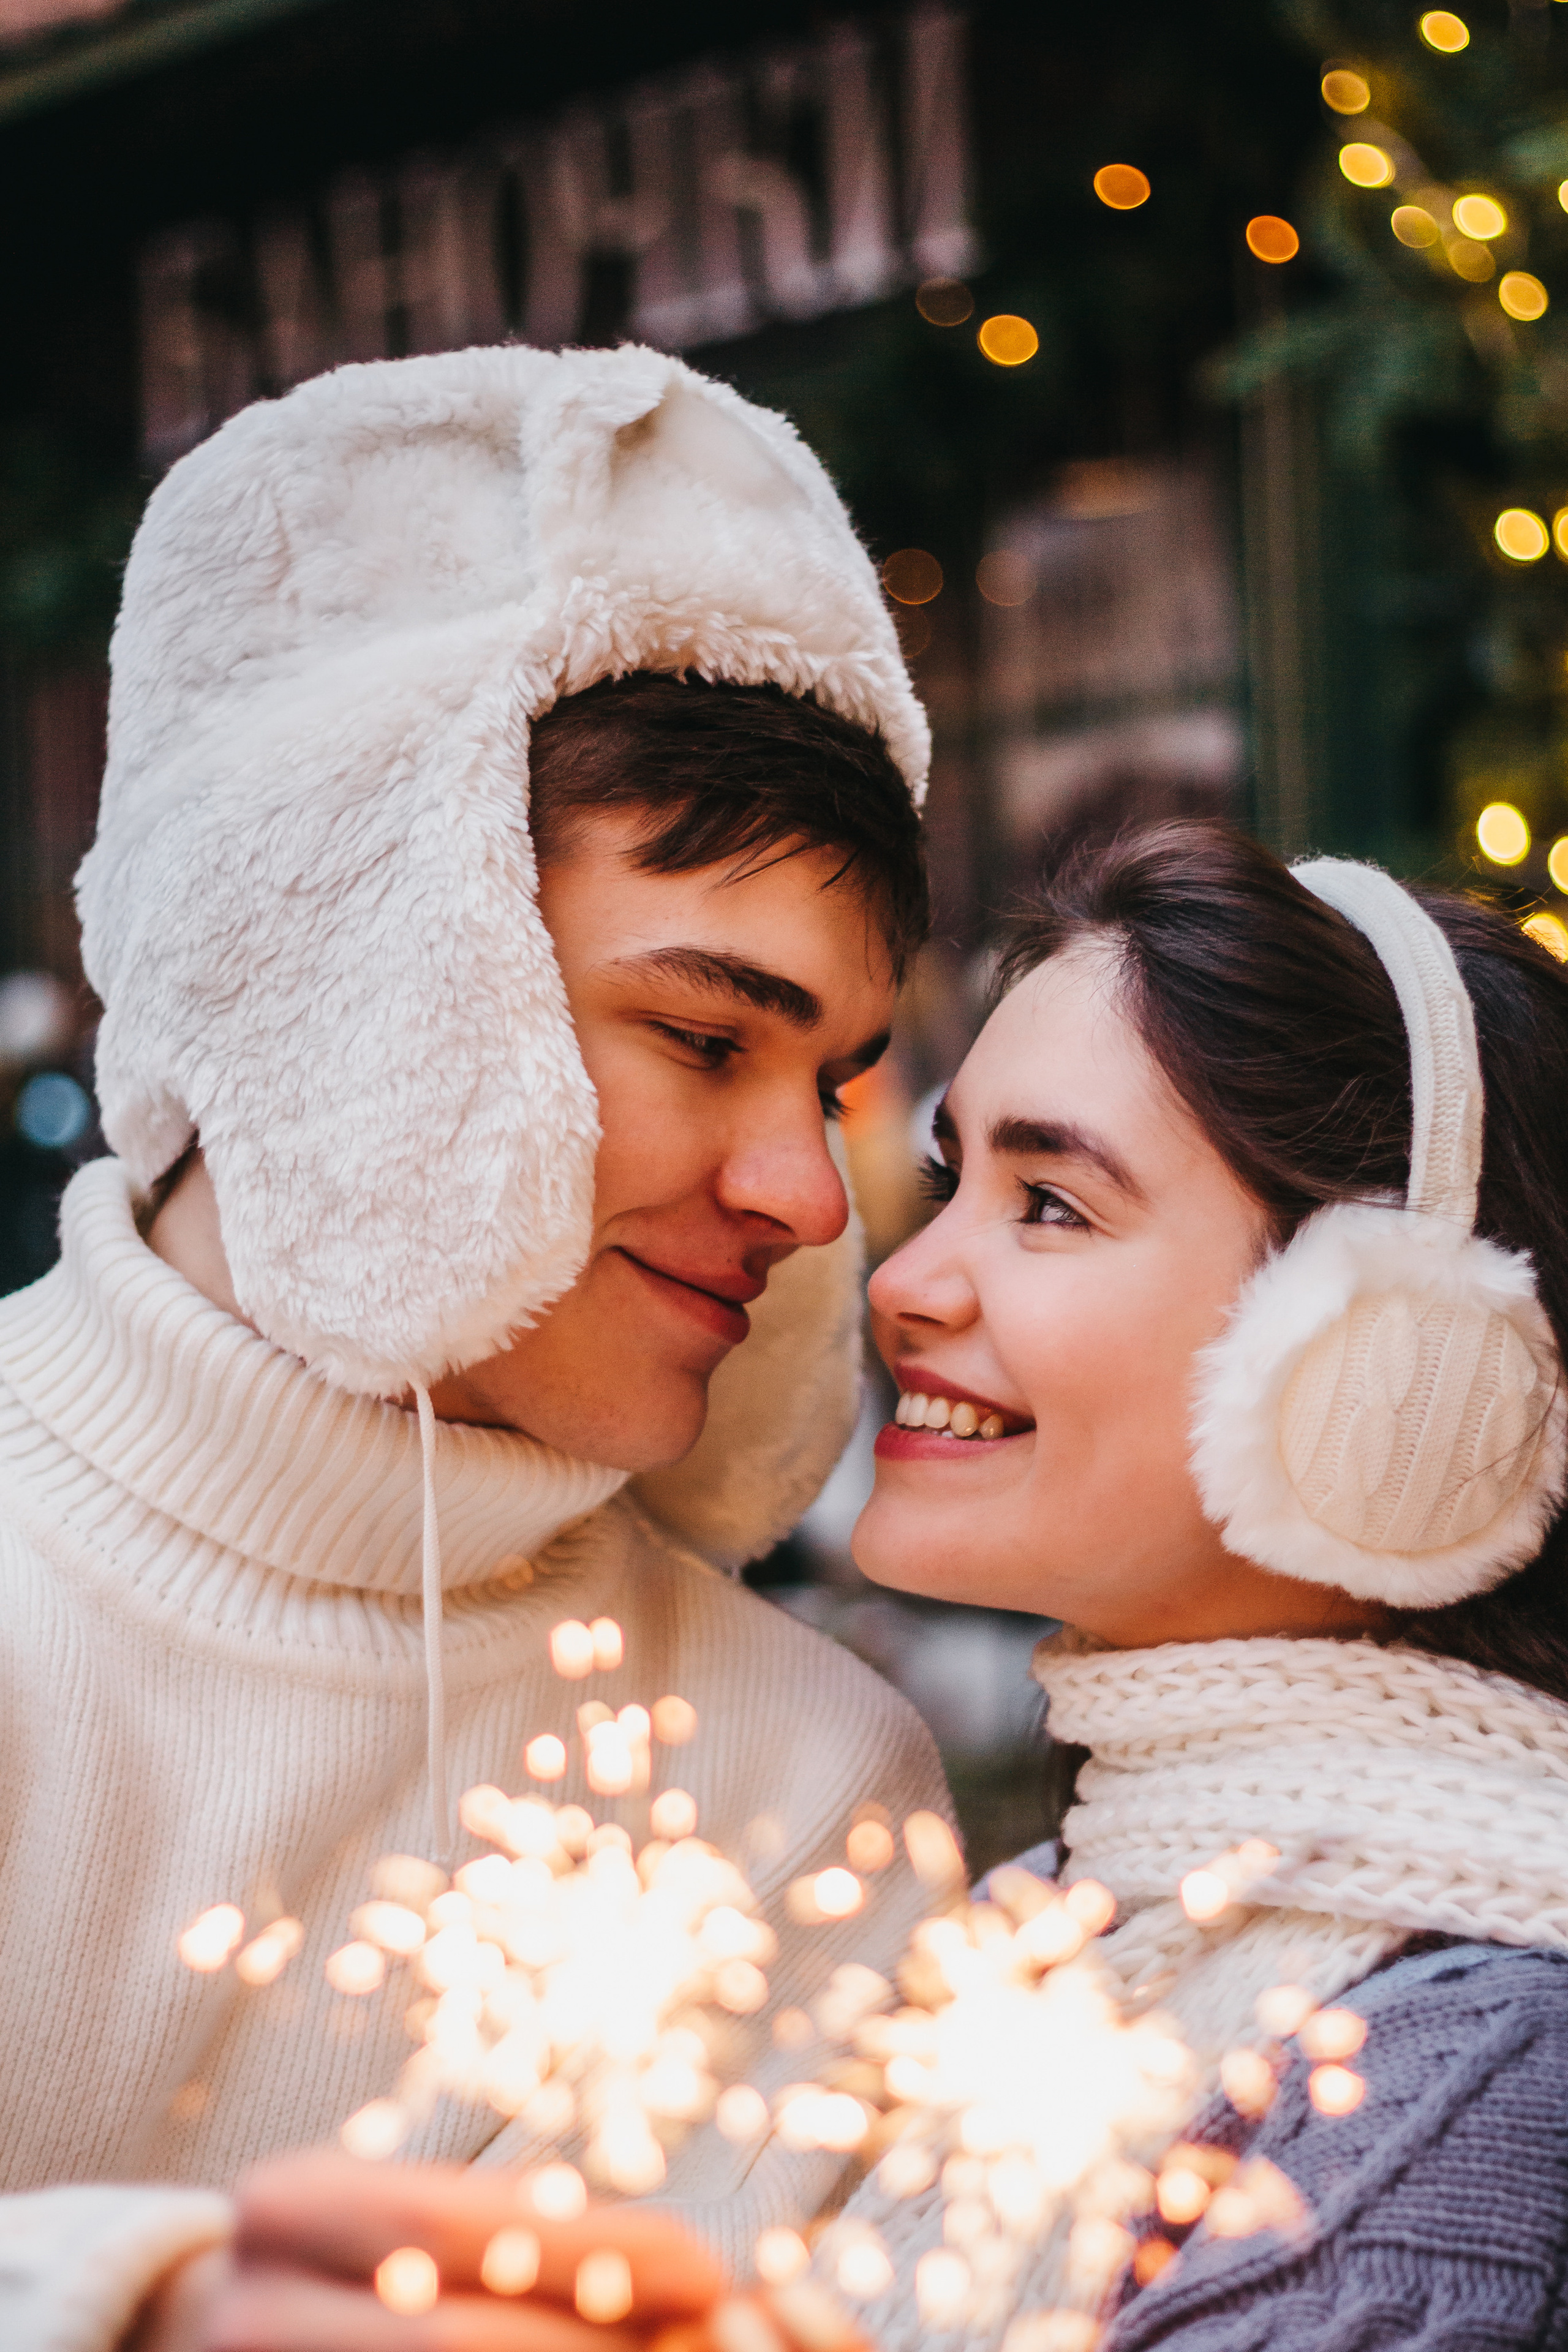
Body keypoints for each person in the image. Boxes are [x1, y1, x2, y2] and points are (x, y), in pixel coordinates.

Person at [0, 342, 960, 2352]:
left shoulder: (803, 1784)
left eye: (834, 1081)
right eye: (702, 1036)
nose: (809, 1194)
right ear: (366, 976)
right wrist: (130, 2309)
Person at [387, 819, 1568, 2352]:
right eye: (951, 1181)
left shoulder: (1454, 2097)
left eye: (1050, 1205)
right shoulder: (1041, 1933)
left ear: (1396, 1366)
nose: (901, 1280)